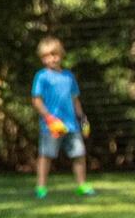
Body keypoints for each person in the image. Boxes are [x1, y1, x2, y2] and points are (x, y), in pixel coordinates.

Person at [31, 36, 94, 198]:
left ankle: (82, 185)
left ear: (61, 54)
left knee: (79, 154)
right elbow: (36, 101)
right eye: (46, 56)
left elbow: (75, 100)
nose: (51, 59)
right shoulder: (41, 77)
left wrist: (83, 118)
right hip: (51, 126)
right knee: (46, 155)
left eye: (54, 54)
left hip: (72, 125)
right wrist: (49, 118)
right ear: (42, 59)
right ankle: (41, 187)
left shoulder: (69, 77)